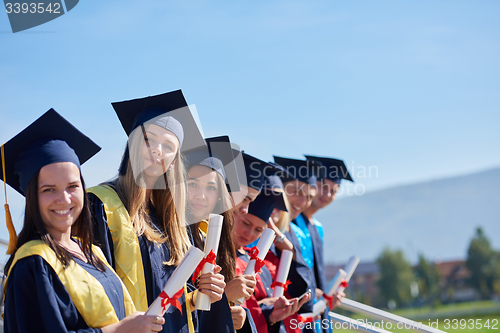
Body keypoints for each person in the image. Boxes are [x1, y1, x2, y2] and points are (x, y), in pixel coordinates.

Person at [1, 109, 164, 333]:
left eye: (72, 186)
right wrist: (120, 330)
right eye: (49, 189)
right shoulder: (34, 263)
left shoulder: (92, 253)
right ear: (32, 198)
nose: (64, 199)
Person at [87, 91, 224, 333]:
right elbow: (92, 286)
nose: (158, 150)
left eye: (168, 146)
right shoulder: (101, 204)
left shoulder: (175, 221)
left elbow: (175, 296)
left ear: (174, 160)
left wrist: (201, 294)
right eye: (150, 139)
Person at [184, 136, 252, 332]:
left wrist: (231, 315)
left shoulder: (210, 237)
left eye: (211, 188)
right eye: (193, 184)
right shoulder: (168, 238)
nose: (201, 195)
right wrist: (224, 298)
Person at [233, 188, 311, 333]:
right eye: (246, 223)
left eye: (258, 230)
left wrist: (271, 314)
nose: (249, 233)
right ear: (234, 215)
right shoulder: (220, 258)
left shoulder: (260, 265)